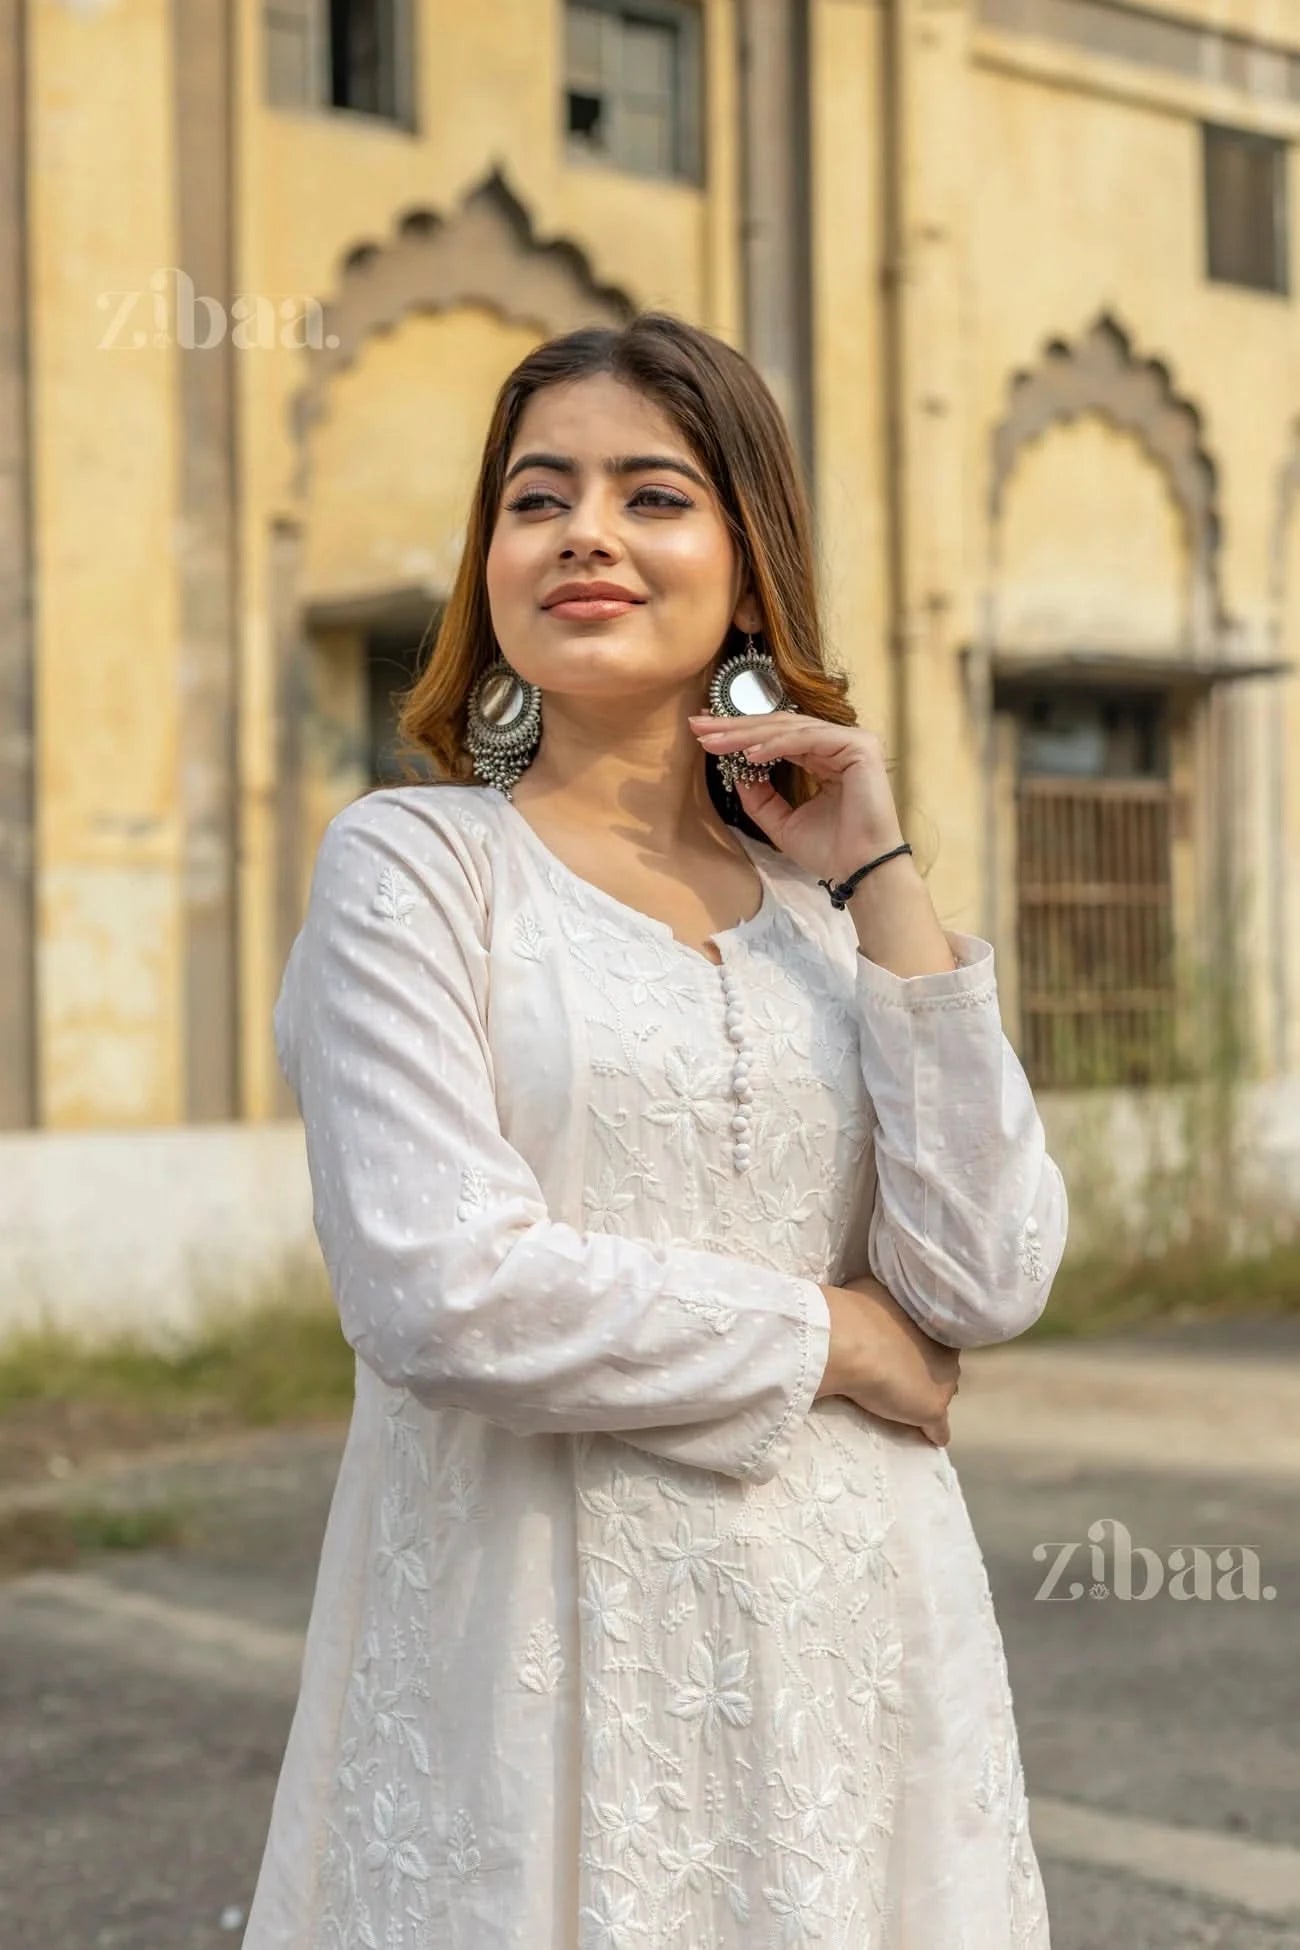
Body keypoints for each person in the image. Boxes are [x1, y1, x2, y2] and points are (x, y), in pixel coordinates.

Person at [243, 311, 1067, 1949]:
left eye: (653, 494)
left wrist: (879, 869)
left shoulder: (828, 923)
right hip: (536, 1662)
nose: (586, 534)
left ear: (749, 560)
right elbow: (441, 1288)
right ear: (491, 559)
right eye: (537, 497)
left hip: (858, 1660)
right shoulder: (419, 871)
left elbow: (984, 1273)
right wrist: (833, 1337)